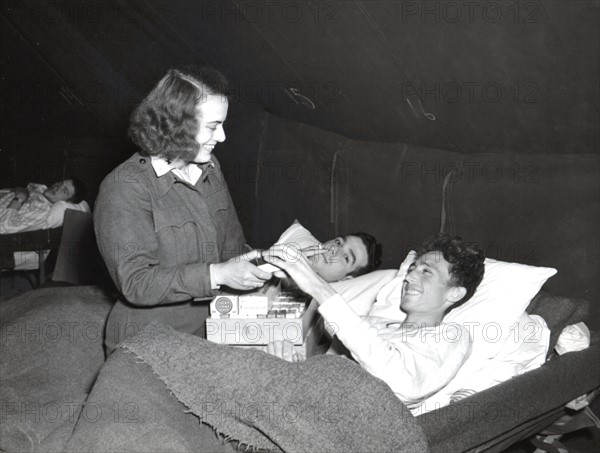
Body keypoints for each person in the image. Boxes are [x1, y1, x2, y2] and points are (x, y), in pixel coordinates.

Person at [95, 66, 283, 355]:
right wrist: (217, 275)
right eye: (212, 126)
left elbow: (232, 244)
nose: (222, 137)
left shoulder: (210, 168)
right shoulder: (124, 187)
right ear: (176, 124)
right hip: (147, 344)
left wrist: (261, 262)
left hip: (210, 330)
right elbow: (136, 283)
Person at [264, 233, 485, 410]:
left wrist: (316, 285)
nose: (409, 277)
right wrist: (291, 368)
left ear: (454, 293)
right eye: (412, 269)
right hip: (297, 404)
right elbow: (320, 374)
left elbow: (402, 382)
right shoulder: (369, 323)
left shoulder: (452, 335)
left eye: (426, 272)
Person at [0, 178, 87, 234]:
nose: (57, 187)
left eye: (64, 191)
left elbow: (4, 227)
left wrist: (20, 197)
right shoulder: (40, 189)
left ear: (68, 202)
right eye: (60, 183)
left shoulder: (43, 211)